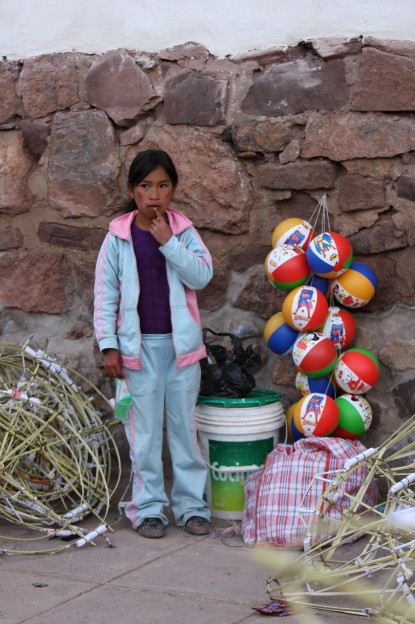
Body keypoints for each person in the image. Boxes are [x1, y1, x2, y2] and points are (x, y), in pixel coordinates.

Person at [94, 149, 213, 538]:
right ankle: (148, 510)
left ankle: (192, 507)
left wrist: (169, 243)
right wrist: (109, 345)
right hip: (136, 353)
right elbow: (106, 295)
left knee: (183, 432)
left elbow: (201, 277)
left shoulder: (183, 232)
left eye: (163, 185)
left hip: (181, 353)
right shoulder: (117, 237)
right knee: (142, 436)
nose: (154, 194)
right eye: (145, 186)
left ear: (173, 189)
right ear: (133, 190)